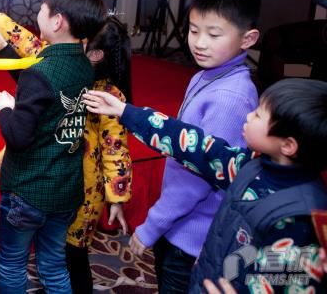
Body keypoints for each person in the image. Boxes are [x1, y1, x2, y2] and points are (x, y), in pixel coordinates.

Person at [83, 78, 327, 293]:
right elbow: (194, 145)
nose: (249, 115)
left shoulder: (302, 218)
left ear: (288, 145)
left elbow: (292, 282)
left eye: (259, 115)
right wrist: (126, 112)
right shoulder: (250, 165)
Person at [0, 0, 132, 294]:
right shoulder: (72, 63)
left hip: (59, 184)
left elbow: (115, 148)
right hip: (66, 186)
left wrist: (117, 197)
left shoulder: (103, 91)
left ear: (94, 53)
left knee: (53, 258)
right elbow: (28, 50)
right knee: (54, 263)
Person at [129, 0, 260, 294]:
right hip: (179, 224)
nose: (199, 43)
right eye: (193, 30)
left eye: (214, 34)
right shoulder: (207, 75)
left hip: (194, 237)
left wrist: (152, 225)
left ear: (248, 38)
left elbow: (196, 179)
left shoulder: (230, 98)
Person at [0, 0, 106, 294]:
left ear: (56, 21)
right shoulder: (84, 65)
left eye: (42, 8)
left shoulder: (41, 72)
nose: (38, 13)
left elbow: (17, 136)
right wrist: (2, 47)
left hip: (27, 190)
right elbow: (44, 93)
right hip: (65, 191)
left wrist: (4, 110)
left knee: (12, 263)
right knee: (54, 264)